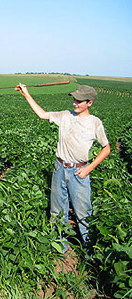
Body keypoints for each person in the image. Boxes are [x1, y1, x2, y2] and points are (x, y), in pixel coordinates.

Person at [15, 83, 111, 255]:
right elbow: (42, 114)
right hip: (60, 168)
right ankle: (58, 247)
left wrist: (88, 169)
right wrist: (26, 94)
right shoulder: (65, 116)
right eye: (74, 99)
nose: (75, 103)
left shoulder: (95, 123)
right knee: (57, 210)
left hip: (79, 172)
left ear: (90, 103)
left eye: (80, 101)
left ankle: (90, 252)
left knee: (83, 213)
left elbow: (107, 148)